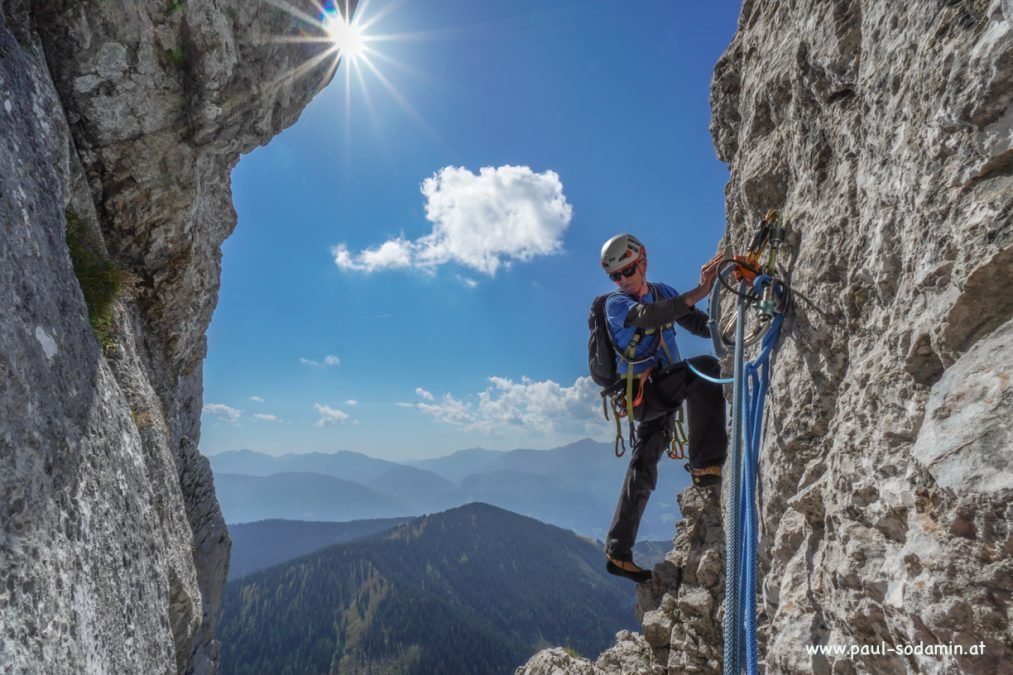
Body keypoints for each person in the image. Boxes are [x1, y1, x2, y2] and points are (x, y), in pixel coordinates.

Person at [599, 233, 727, 583]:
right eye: (616, 276)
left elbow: (700, 325)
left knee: (643, 467)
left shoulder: (664, 292)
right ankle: (705, 465)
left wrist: (730, 326)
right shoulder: (616, 304)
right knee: (706, 371)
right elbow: (649, 316)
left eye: (627, 271)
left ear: (643, 261)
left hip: (658, 393)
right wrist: (699, 291)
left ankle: (618, 551)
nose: (623, 280)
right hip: (647, 393)